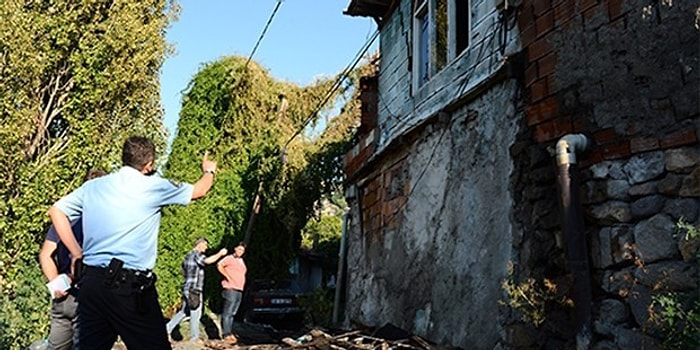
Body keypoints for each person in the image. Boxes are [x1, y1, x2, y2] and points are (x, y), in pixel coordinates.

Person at [48, 136, 217, 350]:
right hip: (129, 288)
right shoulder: (153, 186)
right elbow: (200, 190)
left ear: (123, 158)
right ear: (149, 165)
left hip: (92, 284)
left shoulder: (93, 187)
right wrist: (208, 170)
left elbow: (57, 211)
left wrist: (76, 252)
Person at [39, 169, 107, 350]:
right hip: (87, 298)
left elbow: (45, 255)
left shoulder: (65, 219)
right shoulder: (103, 223)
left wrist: (56, 284)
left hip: (62, 298)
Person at [166, 237, 227, 342]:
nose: (206, 248)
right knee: (196, 312)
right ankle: (195, 337)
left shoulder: (187, 256)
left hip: (187, 287)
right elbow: (207, 261)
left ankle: (166, 329)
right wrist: (220, 254)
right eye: (206, 245)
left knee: (184, 312)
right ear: (200, 244)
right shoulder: (196, 255)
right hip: (194, 289)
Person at [217, 242, 247, 344]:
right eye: (239, 249)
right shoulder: (230, 258)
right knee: (228, 312)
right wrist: (227, 276)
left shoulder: (241, 261)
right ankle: (226, 334)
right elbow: (219, 264)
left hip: (239, 289)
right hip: (230, 288)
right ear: (235, 248)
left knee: (233, 313)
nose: (240, 252)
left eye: (242, 250)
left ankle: (230, 332)